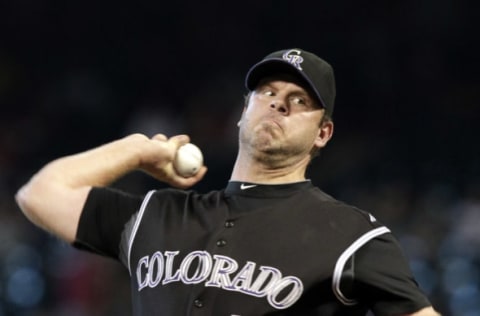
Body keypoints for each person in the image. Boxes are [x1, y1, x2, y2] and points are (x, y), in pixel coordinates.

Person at [16, 48, 441, 315]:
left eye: (299, 101)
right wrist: (137, 151)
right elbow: (41, 194)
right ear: (243, 111)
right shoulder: (156, 215)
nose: (278, 103)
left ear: (323, 134)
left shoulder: (352, 235)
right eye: (267, 92)